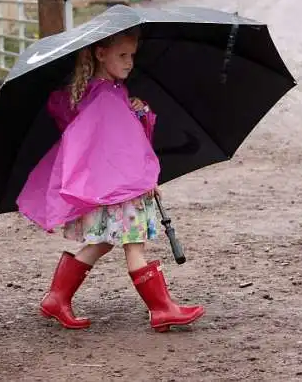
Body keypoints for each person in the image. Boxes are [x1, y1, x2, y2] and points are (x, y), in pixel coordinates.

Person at [16, 28, 205, 331]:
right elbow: (119, 151)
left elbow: (118, 142)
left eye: (132, 55)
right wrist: (143, 176)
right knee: (134, 246)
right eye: (122, 56)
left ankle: (57, 297)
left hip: (114, 188)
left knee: (102, 242)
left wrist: (138, 115)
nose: (130, 62)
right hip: (121, 190)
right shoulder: (105, 96)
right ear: (100, 54)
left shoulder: (107, 91)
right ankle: (161, 309)